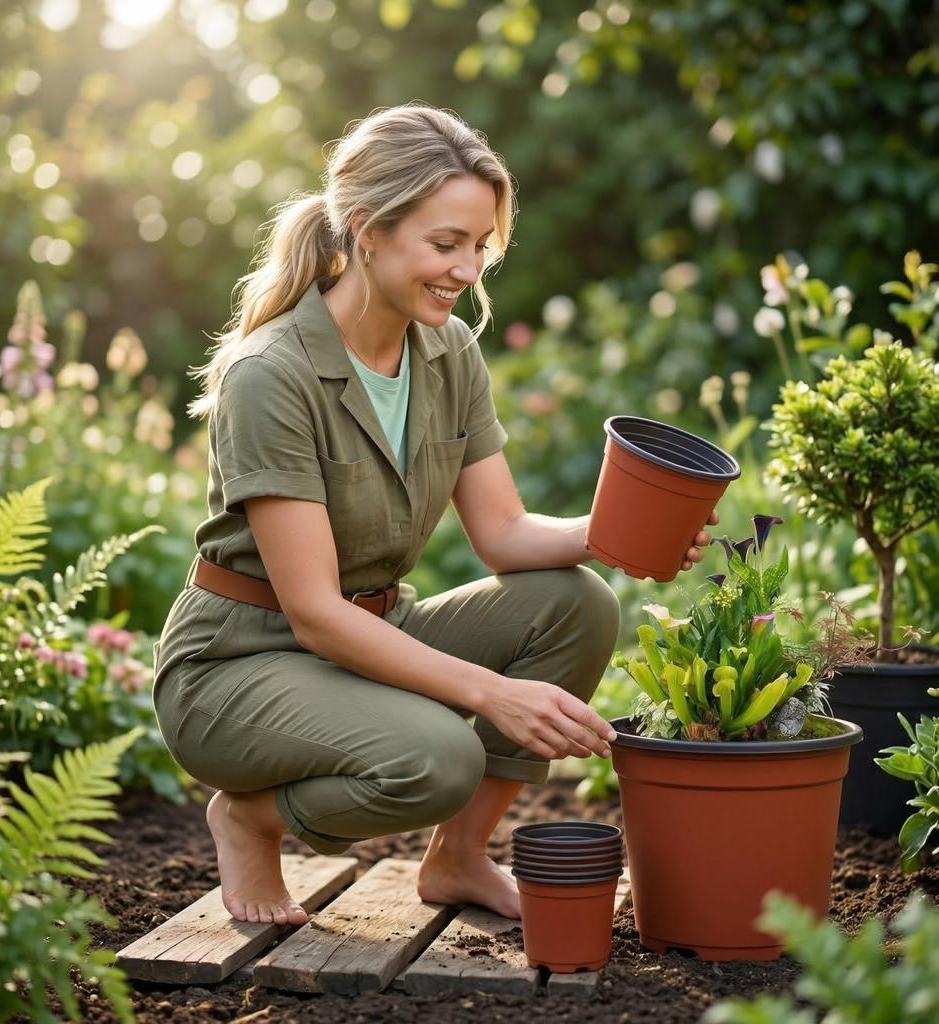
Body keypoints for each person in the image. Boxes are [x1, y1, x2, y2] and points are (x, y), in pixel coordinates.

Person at [151, 103, 715, 928]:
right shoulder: (271, 373)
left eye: (479, 247)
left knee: (576, 601)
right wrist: (493, 694)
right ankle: (248, 817)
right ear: (367, 230)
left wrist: (622, 536)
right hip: (238, 665)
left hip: (371, 635)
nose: (466, 269)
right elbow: (312, 613)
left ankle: (457, 860)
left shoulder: (448, 353)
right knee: (438, 757)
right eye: (445, 244)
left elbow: (505, 535)